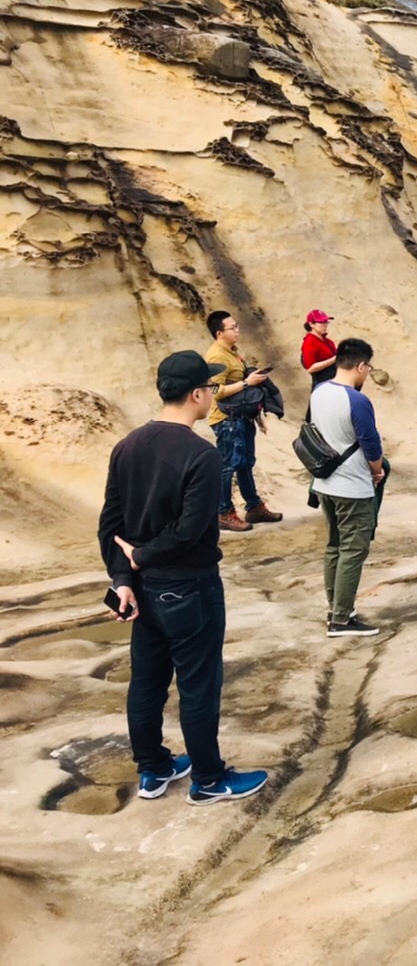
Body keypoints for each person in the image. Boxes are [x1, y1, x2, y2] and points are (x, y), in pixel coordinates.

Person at [98, 350, 269, 805]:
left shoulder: (127, 445)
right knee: (198, 685)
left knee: (147, 682)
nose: (212, 394)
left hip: (144, 590)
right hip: (189, 587)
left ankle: (153, 770)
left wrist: (124, 578)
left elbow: (110, 524)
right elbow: (191, 530)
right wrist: (143, 556)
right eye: (211, 388)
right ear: (197, 394)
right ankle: (209, 780)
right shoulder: (202, 453)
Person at [309, 338, 387, 637]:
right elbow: (371, 443)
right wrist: (377, 471)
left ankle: (336, 607)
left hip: (324, 482)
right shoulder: (357, 400)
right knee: (354, 550)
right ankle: (341, 619)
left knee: (334, 547)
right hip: (352, 486)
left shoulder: (320, 391)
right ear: (362, 366)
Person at [205, 310, 281, 533]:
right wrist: (248, 382)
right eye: (233, 327)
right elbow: (215, 390)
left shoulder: (232, 352)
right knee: (228, 465)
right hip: (227, 419)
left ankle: (254, 506)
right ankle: (223, 512)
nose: (237, 330)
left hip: (241, 416)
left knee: (246, 463)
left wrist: (257, 417)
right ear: (220, 333)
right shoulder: (217, 356)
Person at [300, 309, 337, 390]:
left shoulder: (327, 341)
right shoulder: (310, 341)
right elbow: (310, 368)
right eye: (321, 322)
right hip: (323, 384)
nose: (325, 325)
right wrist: (334, 359)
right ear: (311, 324)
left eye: (326, 322)